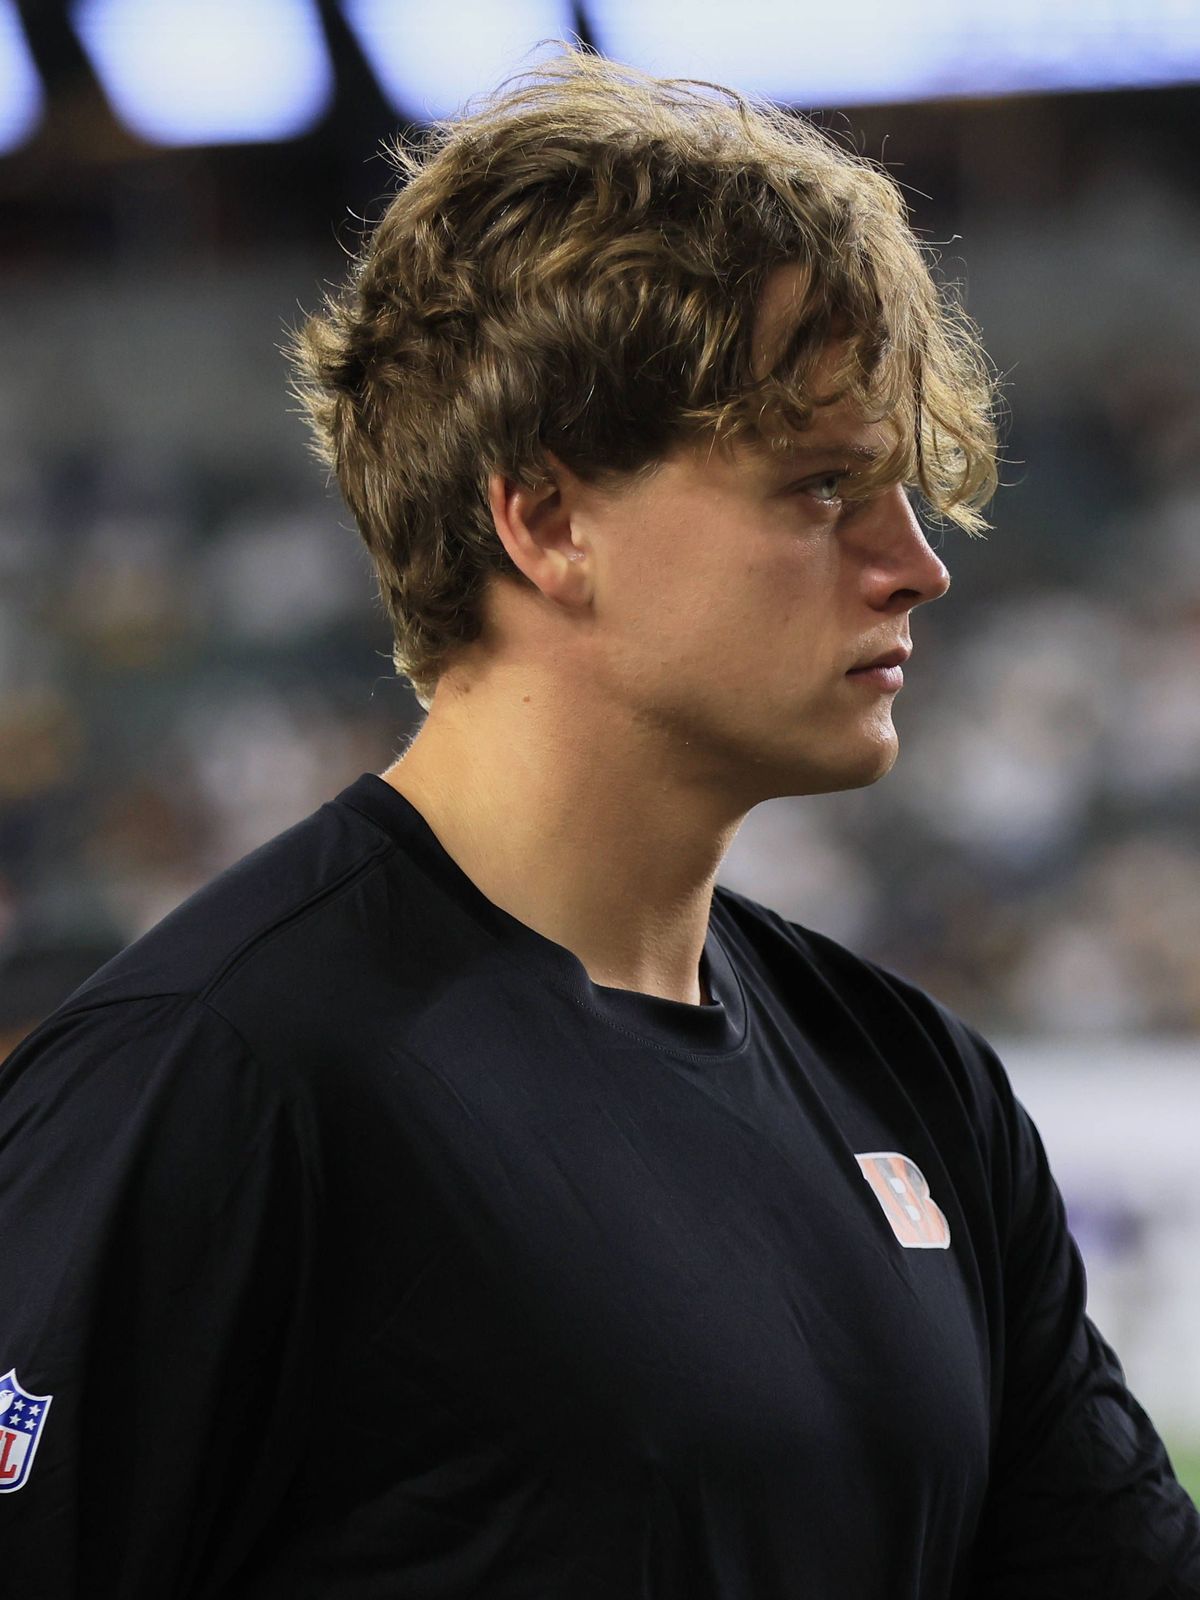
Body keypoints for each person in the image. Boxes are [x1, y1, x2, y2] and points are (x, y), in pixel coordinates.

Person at [0, 44, 1196, 1600]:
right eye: (823, 487)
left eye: (905, 493)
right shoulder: (220, 1078)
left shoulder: (920, 1087)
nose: (919, 564)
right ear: (548, 519)